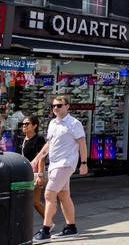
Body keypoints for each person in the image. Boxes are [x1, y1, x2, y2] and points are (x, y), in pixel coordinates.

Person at [31, 96, 88, 243]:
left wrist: (84, 163)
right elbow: (49, 144)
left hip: (66, 163)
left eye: (59, 105)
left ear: (67, 107)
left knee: (49, 195)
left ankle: (45, 230)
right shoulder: (52, 124)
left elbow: (82, 143)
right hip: (55, 164)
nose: (56, 108)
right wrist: (37, 159)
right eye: (54, 105)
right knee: (64, 196)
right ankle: (71, 227)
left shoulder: (74, 123)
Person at [16, 115, 48, 224]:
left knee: (35, 201)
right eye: (23, 124)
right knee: (23, 200)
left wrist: (40, 175)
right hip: (23, 172)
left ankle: (48, 222)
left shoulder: (38, 139)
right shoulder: (21, 139)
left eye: (27, 124)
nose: (24, 126)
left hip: (34, 173)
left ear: (34, 126)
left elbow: (41, 159)